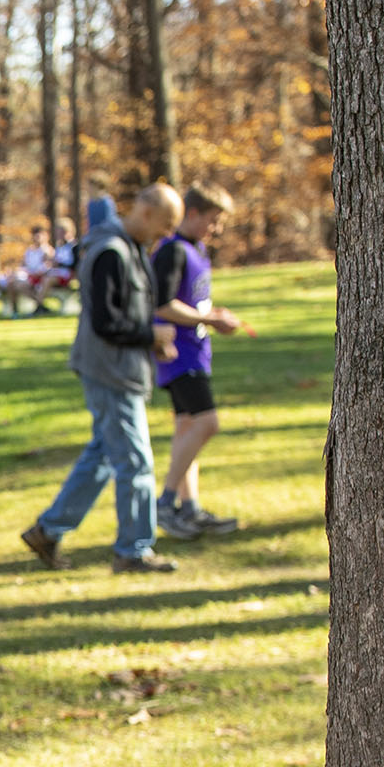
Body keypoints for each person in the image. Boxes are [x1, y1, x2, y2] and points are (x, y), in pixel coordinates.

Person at [20, 184, 184, 575]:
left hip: (120, 367)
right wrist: (150, 336)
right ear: (145, 213)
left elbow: (125, 313)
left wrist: (151, 341)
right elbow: (106, 322)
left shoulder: (129, 248)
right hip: (109, 371)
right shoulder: (109, 252)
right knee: (135, 462)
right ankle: (132, 551)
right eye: (162, 229)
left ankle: (48, 530)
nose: (163, 238)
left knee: (103, 456)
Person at [152, 185, 248, 541]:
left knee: (187, 429)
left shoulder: (197, 249)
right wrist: (208, 321)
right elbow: (162, 306)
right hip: (179, 356)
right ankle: (164, 503)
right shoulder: (172, 251)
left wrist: (214, 315)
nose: (216, 228)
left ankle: (189, 508)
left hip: (195, 351)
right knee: (207, 424)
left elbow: (191, 301)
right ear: (192, 214)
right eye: (213, 220)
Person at [0, 223, 55, 318]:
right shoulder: (29, 251)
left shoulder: (47, 251)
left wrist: (27, 273)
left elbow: (45, 268)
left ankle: (15, 311)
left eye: (39, 235)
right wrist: (14, 271)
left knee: (12, 283)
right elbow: (23, 265)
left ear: (46, 236)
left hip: (33, 280)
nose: (36, 237)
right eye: (34, 235)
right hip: (22, 276)